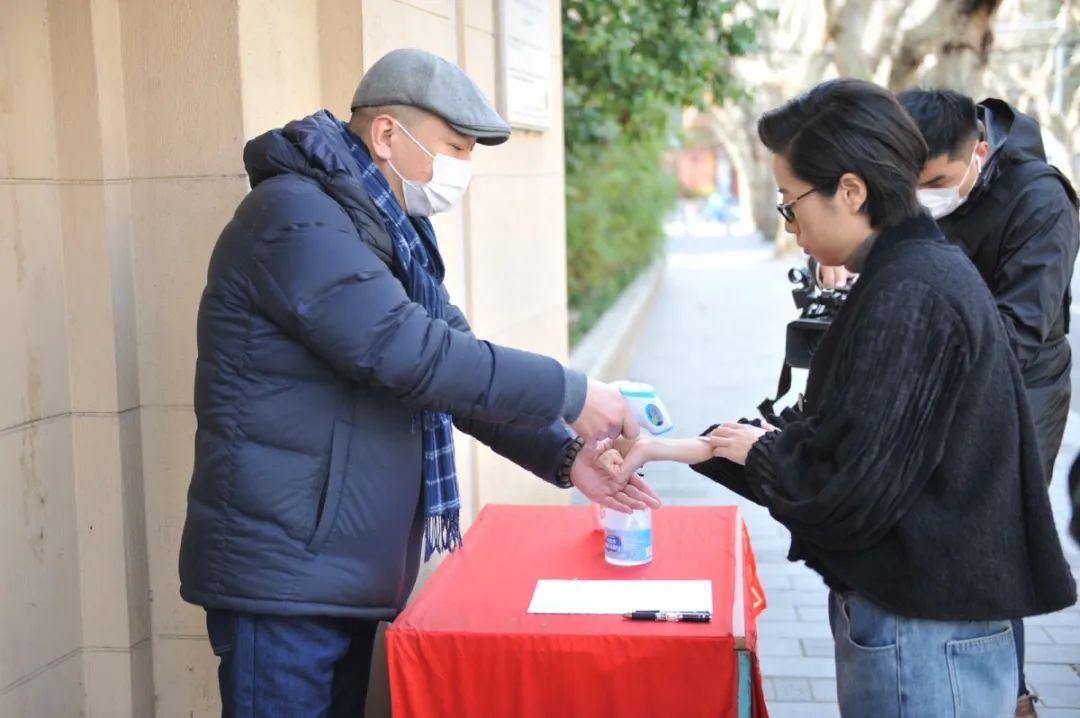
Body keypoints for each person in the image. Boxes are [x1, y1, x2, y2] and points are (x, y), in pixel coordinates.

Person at [178, 48, 659, 716]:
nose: (460, 171)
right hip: (284, 579)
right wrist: (574, 394)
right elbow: (410, 354)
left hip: (332, 569)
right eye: (452, 148)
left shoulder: (386, 230)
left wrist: (567, 454)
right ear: (385, 136)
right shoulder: (294, 218)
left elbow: (452, 360)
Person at [607, 78, 1077, 717]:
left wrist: (761, 454)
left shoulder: (913, 293)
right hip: (925, 617)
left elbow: (851, 492)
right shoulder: (908, 270)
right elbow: (834, 436)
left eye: (790, 202)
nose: (790, 224)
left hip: (923, 632)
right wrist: (682, 447)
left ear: (850, 191)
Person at [897, 89, 1080, 716]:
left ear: (979, 151)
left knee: (995, 532)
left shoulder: (1043, 200)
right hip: (940, 371)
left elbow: (1019, 331)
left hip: (1022, 385)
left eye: (938, 183)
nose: (925, 199)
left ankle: (1012, 694)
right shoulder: (925, 177)